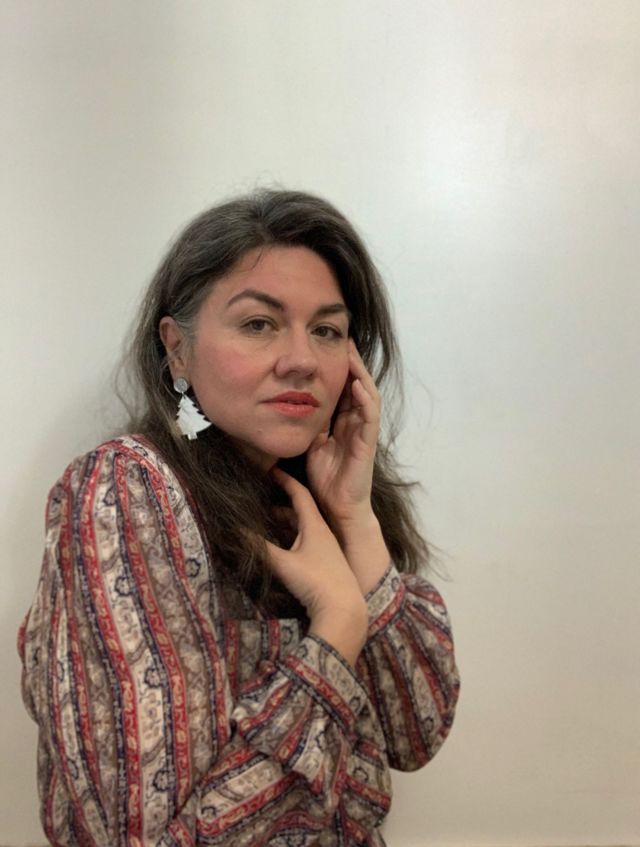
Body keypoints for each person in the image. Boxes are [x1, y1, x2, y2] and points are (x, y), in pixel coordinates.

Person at [19, 189, 460, 846]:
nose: (302, 359)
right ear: (177, 349)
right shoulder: (126, 491)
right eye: (258, 324)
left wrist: (356, 518)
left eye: (327, 330)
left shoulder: (313, 503)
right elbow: (143, 834)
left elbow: (415, 733)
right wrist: (338, 627)